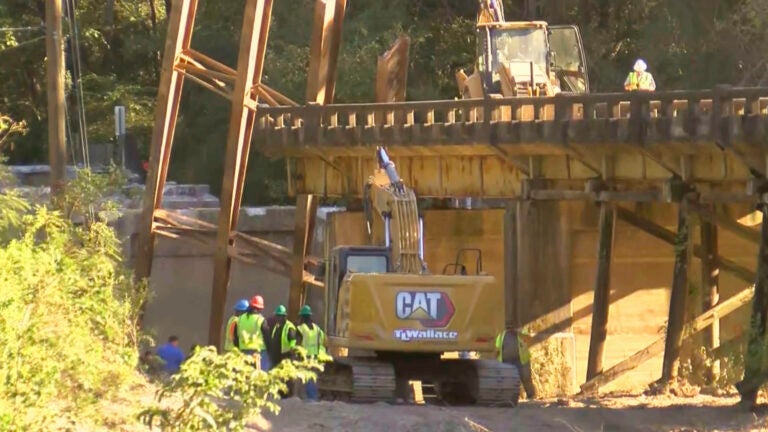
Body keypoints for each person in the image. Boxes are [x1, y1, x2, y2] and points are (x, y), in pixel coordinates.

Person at [295, 305, 329, 401]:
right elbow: (323, 341)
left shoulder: (300, 328)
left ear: (302, 317)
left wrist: (295, 354)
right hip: (315, 356)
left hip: (304, 357)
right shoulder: (317, 328)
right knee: (312, 377)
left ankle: (304, 397)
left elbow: (297, 344)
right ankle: (312, 396)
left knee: (303, 377)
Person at [495, 326, 537, 400]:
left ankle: (531, 396)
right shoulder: (501, 332)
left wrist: (517, 333)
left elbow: (528, 339)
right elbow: (497, 347)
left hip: (521, 360)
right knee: (509, 380)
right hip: (507, 361)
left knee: (526, 377)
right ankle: (510, 398)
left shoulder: (521, 329)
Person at [237, 295, 272, 371]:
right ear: (260, 308)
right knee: (260, 376)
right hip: (258, 353)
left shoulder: (240, 319)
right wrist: (270, 351)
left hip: (243, 352)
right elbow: (267, 338)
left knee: (244, 376)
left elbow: (236, 337)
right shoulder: (260, 320)